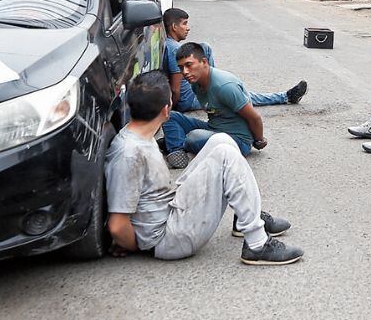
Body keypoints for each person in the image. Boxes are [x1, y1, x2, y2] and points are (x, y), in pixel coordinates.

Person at [105, 71, 303, 265]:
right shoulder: (129, 153)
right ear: (166, 109)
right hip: (166, 238)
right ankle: (257, 244)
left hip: (170, 212)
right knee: (225, 154)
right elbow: (117, 226)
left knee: (222, 140)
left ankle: (245, 216)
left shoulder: (139, 134)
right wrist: (138, 246)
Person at [161, 7, 306, 116]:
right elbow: (176, 89)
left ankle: (215, 85)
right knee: (240, 95)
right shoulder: (175, 50)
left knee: (205, 47)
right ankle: (285, 96)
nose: (188, 28)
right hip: (187, 100)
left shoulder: (170, 44)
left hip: (192, 92)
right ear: (174, 27)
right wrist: (174, 109)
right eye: (184, 24)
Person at [161, 42, 268, 168]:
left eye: (189, 65)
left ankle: (175, 141)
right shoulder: (195, 82)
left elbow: (254, 117)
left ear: (204, 62)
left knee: (193, 137)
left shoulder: (225, 86)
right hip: (213, 128)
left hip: (237, 140)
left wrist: (259, 140)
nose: (185, 72)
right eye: (181, 67)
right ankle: (176, 150)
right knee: (169, 116)